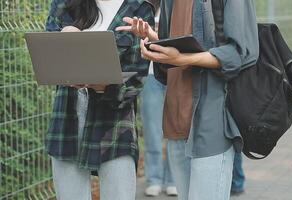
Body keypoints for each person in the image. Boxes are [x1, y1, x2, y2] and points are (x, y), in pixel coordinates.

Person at [117, 0, 259, 199]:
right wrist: (152, 38)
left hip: (212, 124)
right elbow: (173, 52)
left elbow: (239, 54)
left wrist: (184, 59)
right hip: (177, 122)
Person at [45, 0, 155, 199]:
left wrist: (106, 86)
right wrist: (66, 35)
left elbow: (137, 78)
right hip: (67, 120)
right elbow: (46, 57)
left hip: (114, 125)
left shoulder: (139, 9)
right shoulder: (64, 4)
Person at [141, 64, 177, 197]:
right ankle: (153, 179)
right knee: (152, 130)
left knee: (175, 129)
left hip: (177, 70)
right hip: (150, 73)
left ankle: (173, 180)